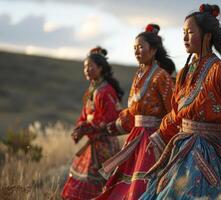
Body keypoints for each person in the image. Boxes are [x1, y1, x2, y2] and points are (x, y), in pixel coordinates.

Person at [140, 4, 221, 199]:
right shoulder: (184, 73)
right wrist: (161, 134)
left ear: (207, 36)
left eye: (190, 32)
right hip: (183, 148)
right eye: (183, 33)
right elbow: (178, 112)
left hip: (209, 151)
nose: (185, 37)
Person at [95, 24, 175, 200]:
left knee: (142, 186)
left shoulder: (162, 76)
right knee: (123, 185)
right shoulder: (138, 75)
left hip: (153, 139)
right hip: (136, 136)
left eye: (140, 47)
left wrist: (164, 136)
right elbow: (132, 112)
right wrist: (114, 126)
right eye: (134, 48)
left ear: (153, 50)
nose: (137, 51)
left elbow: (173, 111)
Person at [61, 46, 123, 200]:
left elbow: (111, 118)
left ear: (100, 68)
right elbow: (85, 114)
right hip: (93, 142)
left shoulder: (106, 91)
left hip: (104, 144)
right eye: (85, 67)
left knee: (100, 184)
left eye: (90, 66)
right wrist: (80, 127)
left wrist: (88, 127)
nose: (87, 70)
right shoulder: (92, 90)